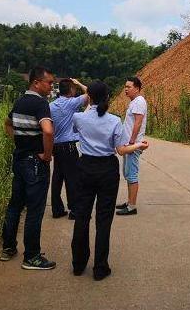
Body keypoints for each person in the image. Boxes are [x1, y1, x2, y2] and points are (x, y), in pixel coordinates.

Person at [71, 81, 148, 281]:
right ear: (107, 98)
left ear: (89, 98)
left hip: (85, 167)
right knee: (104, 220)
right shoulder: (114, 121)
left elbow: (82, 123)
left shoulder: (78, 117)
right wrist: (139, 145)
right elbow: (121, 150)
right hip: (107, 170)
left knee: (82, 216)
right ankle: (100, 267)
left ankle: (78, 264)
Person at [0, 66, 56, 270]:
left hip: (20, 159)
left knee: (15, 205)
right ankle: (31, 256)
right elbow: (48, 131)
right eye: (49, 83)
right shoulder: (40, 103)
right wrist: (47, 155)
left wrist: (19, 141)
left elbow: (7, 123)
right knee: (35, 209)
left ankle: (8, 248)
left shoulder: (20, 101)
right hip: (35, 163)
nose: (51, 87)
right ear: (36, 83)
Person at [49, 78, 88, 219]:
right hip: (69, 147)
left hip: (56, 146)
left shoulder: (51, 105)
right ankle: (75, 210)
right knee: (73, 179)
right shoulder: (72, 103)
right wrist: (79, 83)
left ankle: (57, 209)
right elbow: (90, 93)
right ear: (71, 90)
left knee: (57, 178)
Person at [116, 76, 147, 216]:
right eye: (125, 86)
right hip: (129, 144)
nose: (126, 89)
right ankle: (129, 202)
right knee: (128, 173)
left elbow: (138, 123)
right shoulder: (135, 102)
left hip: (132, 145)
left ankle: (132, 206)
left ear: (137, 88)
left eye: (129, 87)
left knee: (132, 174)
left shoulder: (139, 102)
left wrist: (132, 142)